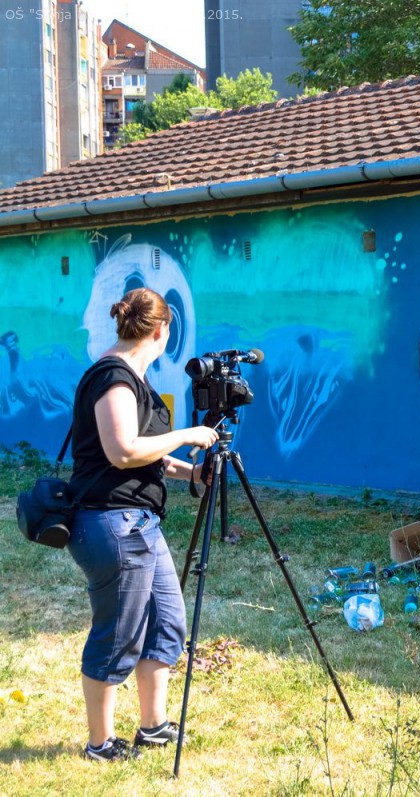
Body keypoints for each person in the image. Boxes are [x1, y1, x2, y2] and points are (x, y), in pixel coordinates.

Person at [66, 287, 219, 761]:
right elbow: (123, 451)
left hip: (138, 522)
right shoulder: (114, 378)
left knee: (166, 622)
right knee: (118, 634)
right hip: (112, 523)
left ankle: (153, 727)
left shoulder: (134, 377)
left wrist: (192, 472)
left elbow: (147, 457)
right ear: (161, 330)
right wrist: (188, 434)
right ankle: (99, 743)